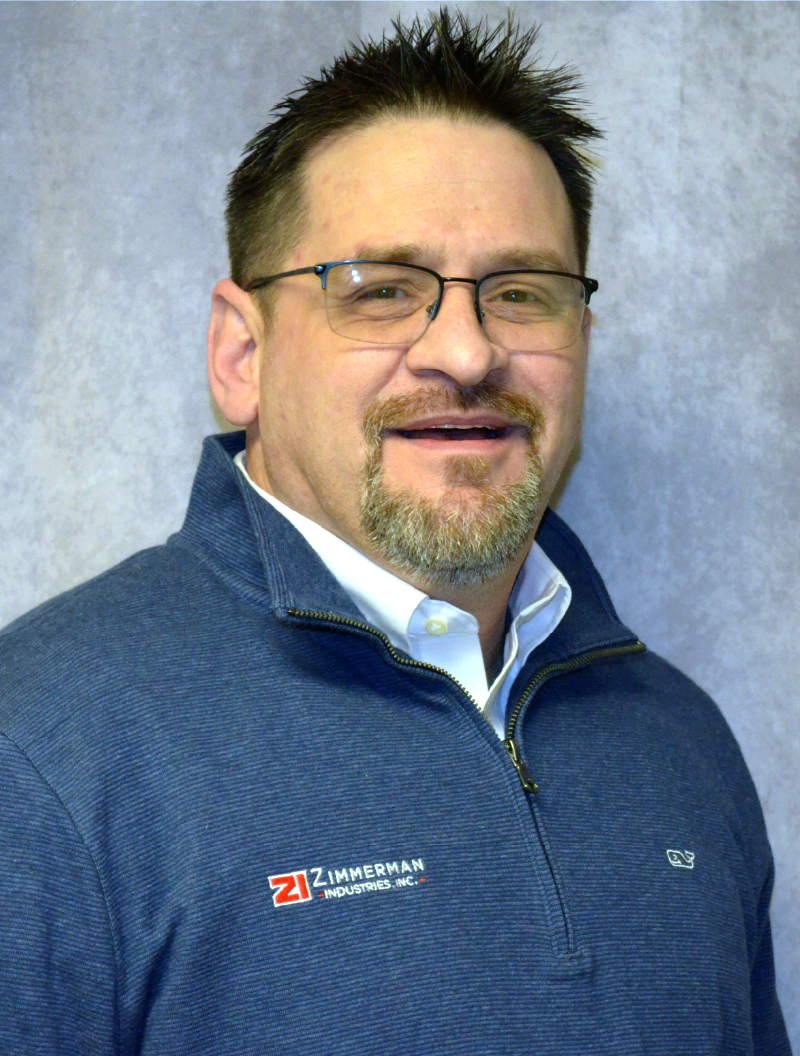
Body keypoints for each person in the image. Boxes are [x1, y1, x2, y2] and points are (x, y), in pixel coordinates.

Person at [0, 10, 791, 1055]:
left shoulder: (677, 742)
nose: (464, 352)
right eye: (379, 291)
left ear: (579, 340)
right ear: (241, 354)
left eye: (521, 292)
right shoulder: (43, 751)